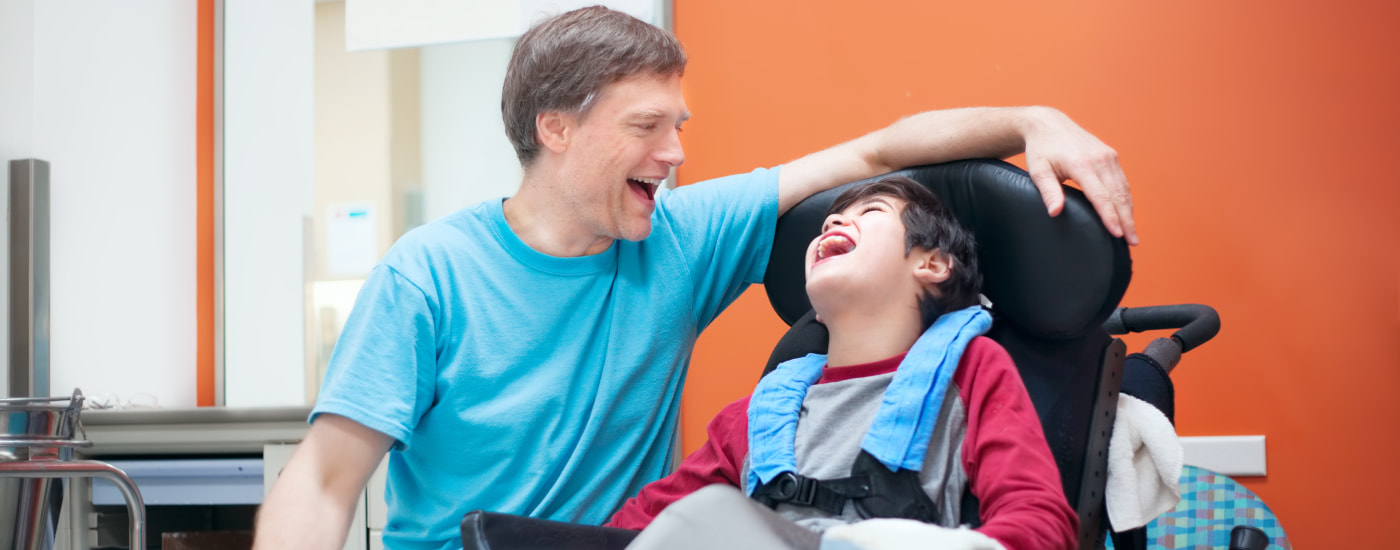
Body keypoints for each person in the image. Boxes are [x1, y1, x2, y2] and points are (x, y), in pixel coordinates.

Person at [253, 6, 1133, 550]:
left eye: (679, 124)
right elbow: (326, 482)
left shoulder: (681, 237)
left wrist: (1033, 119)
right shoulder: (429, 276)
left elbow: (874, 151)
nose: (676, 155)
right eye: (648, 127)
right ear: (556, 128)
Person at [608, 176, 1075, 550]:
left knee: (707, 515)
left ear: (932, 265)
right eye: (830, 220)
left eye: (869, 213)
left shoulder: (970, 370)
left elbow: (1040, 524)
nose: (833, 223)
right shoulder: (759, 415)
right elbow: (631, 530)